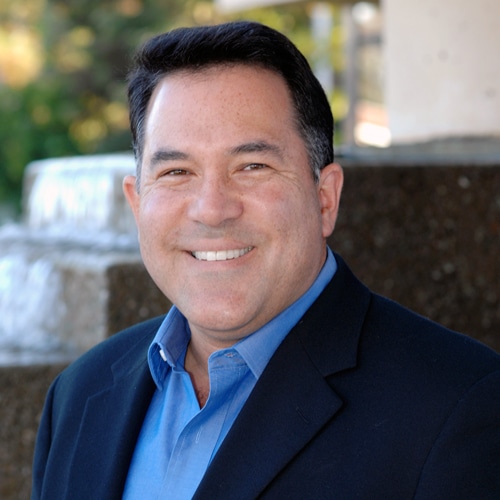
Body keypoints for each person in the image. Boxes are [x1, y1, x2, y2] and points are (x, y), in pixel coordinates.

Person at [32, 21, 500, 499]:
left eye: (252, 166)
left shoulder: (461, 407)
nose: (212, 209)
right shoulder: (79, 395)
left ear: (325, 198)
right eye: (176, 171)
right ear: (137, 203)